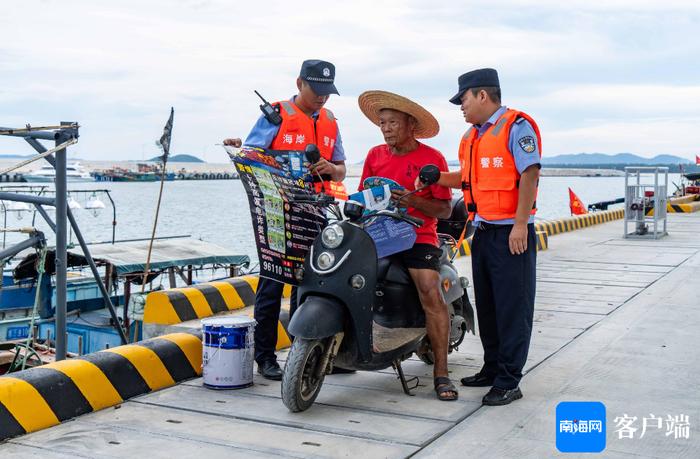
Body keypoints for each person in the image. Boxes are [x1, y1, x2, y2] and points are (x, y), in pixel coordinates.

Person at [223, 59, 347, 380]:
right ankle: (265, 357)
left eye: (327, 92)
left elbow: (342, 168)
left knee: (309, 286)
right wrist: (239, 148)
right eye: (316, 90)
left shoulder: (332, 122)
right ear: (299, 84)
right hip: (278, 215)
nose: (322, 98)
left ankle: (303, 353)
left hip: (316, 213)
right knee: (272, 284)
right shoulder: (276, 115)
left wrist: (330, 170)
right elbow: (251, 155)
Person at [427, 68, 541, 406]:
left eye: (462, 99)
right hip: (484, 232)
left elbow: (529, 174)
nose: (460, 107)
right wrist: (436, 178)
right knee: (489, 307)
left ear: (481, 95)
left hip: (511, 233)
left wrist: (521, 225)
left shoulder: (517, 127)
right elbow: (468, 178)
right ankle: (492, 368)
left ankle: (509, 380)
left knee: (512, 308)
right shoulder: (471, 137)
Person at [358, 90, 457, 401]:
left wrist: (413, 201)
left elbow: (444, 210)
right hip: (380, 233)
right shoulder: (375, 156)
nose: (386, 128)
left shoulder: (432, 159)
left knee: (429, 289)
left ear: (411, 124)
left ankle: (441, 372)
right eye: (382, 123)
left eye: (393, 123)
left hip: (418, 235)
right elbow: (362, 198)